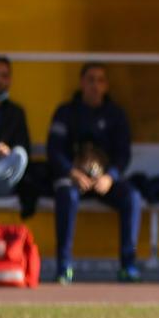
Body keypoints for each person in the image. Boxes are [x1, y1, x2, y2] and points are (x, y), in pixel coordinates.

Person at [48, 62, 143, 284]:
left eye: (100, 80)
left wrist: (110, 176)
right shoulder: (66, 112)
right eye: (90, 80)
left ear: (106, 85)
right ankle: (64, 267)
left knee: (132, 197)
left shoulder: (116, 115)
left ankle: (128, 266)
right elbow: (54, 150)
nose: (95, 85)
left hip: (104, 181)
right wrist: (71, 172)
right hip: (74, 179)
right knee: (66, 195)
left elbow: (123, 154)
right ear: (82, 83)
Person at [0, 56, 30, 218]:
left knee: (19, 154)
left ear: (9, 80)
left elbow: (24, 149)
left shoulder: (16, 112)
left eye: (4, 75)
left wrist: (7, 152)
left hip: (3, 180)